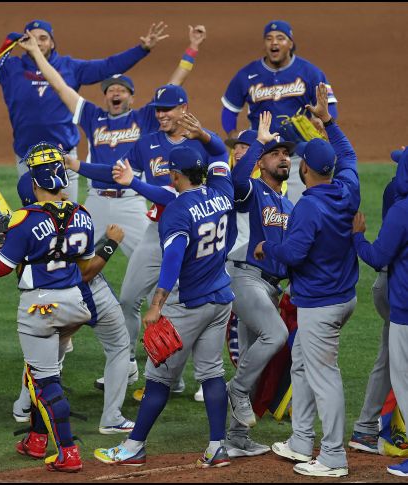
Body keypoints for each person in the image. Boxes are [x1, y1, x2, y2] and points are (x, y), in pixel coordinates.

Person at [68, 85, 228, 395]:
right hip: (158, 232)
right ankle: (125, 364)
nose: (160, 115)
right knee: (128, 298)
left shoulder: (202, 143)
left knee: (189, 304)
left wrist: (206, 137)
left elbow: (217, 156)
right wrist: (78, 166)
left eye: (167, 108)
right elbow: (117, 172)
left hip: (197, 237)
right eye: (157, 109)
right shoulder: (148, 143)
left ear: (184, 108)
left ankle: (190, 376)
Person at [0, 12, 168, 201]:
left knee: (69, 216)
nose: (38, 42)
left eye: (43, 38)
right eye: (32, 37)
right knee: (36, 217)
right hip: (26, 157)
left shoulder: (71, 68)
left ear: (52, 43)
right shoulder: (9, 68)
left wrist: (142, 49)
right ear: (23, 41)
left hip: (64, 156)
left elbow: (109, 66)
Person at [94, 145, 235, 468]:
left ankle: (133, 446)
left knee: (157, 379)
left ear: (174, 175)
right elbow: (219, 157)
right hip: (221, 299)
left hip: (187, 305)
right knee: (212, 372)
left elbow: (172, 259)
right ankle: (217, 446)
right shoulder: (221, 193)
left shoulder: (176, 212)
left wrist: (157, 303)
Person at [16, 24, 206, 257]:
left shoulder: (144, 117)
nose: (116, 92)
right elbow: (59, 85)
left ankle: (166, 292)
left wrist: (193, 48)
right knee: (70, 255)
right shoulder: (92, 116)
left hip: (131, 202)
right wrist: (36, 53)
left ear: (132, 97)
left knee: (155, 257)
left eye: (122, 90)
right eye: (110, 89)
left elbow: (174, 84)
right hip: (96, 201)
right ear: (105, 96)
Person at [254, 83, 359, 477]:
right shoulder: (348, 189)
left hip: (320, 304)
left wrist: (268, 250)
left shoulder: (307, 209)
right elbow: (347, 153)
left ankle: (333, 457)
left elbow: (292, 256)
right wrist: (328, 122)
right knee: (302, 364)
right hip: (343, 296)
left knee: (323, 375)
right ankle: (301, 440)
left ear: (304, 170)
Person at [0, 143, 95, 472]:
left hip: (40, 308)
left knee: (44, 380)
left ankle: (68, 451)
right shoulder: (83, 214)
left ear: (34, 184)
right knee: (46, 370)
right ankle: (37, 439)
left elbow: (1, 268)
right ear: (63, 179)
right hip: (75, 305)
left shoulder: (24, 219)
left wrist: (0, 242)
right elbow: (84, 261)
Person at [9, 173, 134, 436]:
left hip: (48, 302)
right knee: (119, 345)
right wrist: (111, 244)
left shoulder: (26, 226)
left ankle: (24, 407)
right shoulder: (75, 215)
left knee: (44, 359)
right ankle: (111, 417)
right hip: (85, 295)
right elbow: (86, 273)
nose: (59, 190)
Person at [223, 112, 296, 458]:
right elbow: (237, 179)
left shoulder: (288, 203)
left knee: (254, 361)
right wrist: (259, 143)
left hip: (270, 286)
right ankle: (235, 391)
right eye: (275, 153)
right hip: (243, 276)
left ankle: (236, 438)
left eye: (286, 154)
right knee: (276, 335)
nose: (283, 157)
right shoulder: (251, 190)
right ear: (262, 162)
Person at [221, 20, 337, 204]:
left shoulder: (310, 72)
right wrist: (232, 132)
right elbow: (229, 110)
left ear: (290, 43)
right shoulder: (247, 74)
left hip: (299, 155)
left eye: (280, 38)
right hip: (263, 157)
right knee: (265, 212)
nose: (274, 43)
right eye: (269, 38)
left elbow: (329, 105)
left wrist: (323, 121)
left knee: (302, 207)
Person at [351, 147, 408, 478]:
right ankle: (369, 426)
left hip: (404, 308)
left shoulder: (401, 209)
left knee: (402, 381)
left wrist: (358, 239)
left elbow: (378, 256)